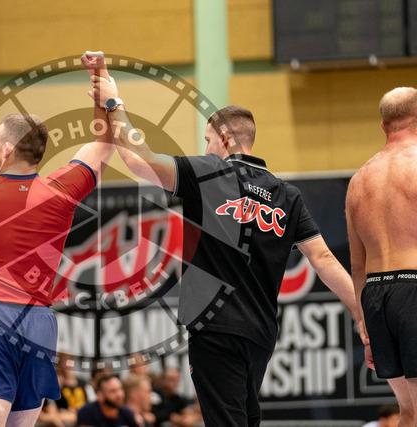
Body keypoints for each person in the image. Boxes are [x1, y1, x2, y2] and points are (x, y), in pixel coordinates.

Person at [86, 52, 365, 426]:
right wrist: (359, 311)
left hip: (216, 328)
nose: (205, 149)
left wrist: (113, 102)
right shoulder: (287, 195)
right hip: (260, 334)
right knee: (245, 419)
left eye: (208, 140)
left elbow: (138, 160)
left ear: (225, 138)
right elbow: (324, 260)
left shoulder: (207, 173)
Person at [0, 52, 115, 427]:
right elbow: (105, 145)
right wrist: (103, 82)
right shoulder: (61, 190)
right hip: (39, 323)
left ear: (7, 149)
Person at [346, 86, 417, 426]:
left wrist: (365, 328)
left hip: (376, 297)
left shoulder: (359, 181)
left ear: (383, 126)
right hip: (413, 287)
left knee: (409, 412)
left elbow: (357, 266)